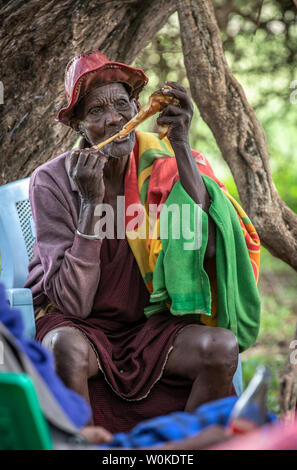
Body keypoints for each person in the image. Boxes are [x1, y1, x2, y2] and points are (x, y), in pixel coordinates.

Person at [24, 50, 261, 433]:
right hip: (85, 327)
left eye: (122, 104)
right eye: (96, 111)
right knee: (61, 347)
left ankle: (177, 447)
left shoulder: (164, 159)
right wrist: (90, 203)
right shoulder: (52, 181)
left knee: (220, 348)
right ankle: (90, 447)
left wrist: (181, 143)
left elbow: (206, 240)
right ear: (79, 126)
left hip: (154, 324)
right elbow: (75, 302)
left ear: (138, 107)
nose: (115, 118)